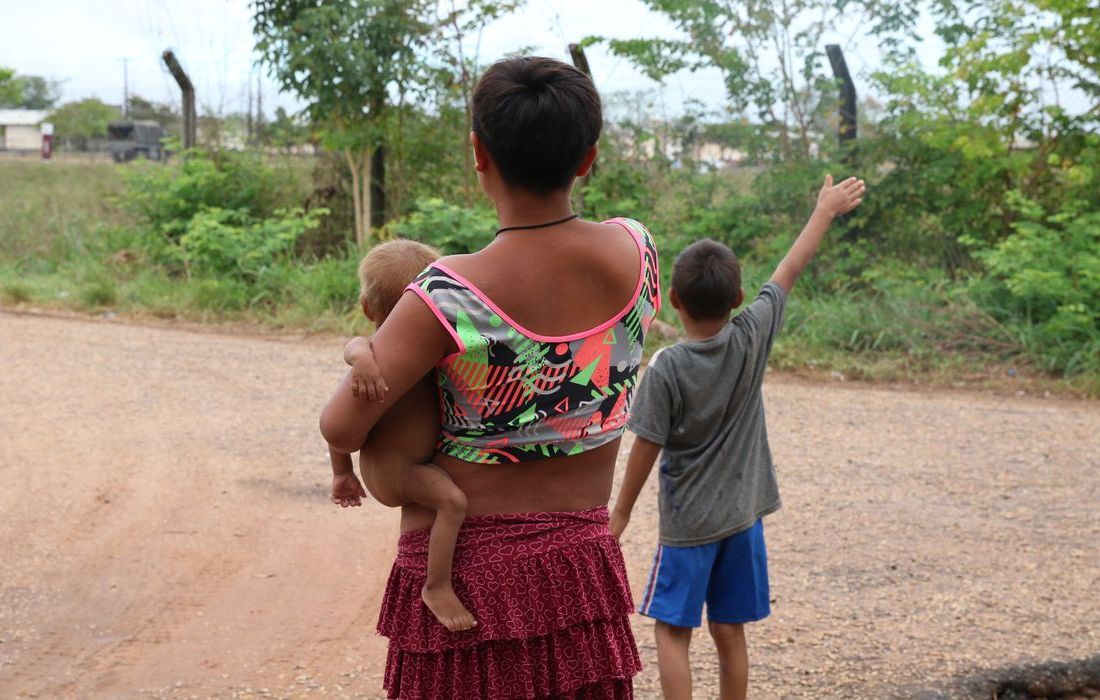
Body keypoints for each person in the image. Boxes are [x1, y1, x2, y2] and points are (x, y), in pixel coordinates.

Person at [320, 56, 661, 699]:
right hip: (579, 572)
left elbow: (342, 424)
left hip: (466, 581)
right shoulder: (637, 251)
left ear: (479, 152)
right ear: (587, 158)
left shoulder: (448, 296)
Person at [609, 174, 866, 700]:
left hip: (688, 526)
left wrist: (621, 513)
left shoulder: (667, 367)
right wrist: (824, 209)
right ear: (740, 297)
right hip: (743, 518)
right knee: (729, 630)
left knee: (672, 631)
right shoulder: (752, 335)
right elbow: (791, 267)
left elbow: (646, 446)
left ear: (674, 299)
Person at [327, 239, 477, 633]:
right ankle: (436, 585)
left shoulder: (432, 347)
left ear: (366, 306)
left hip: (408, 462)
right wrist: (361, 361)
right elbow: (354, 349)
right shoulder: (373, 355)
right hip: (396, 472)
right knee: (452, 501)